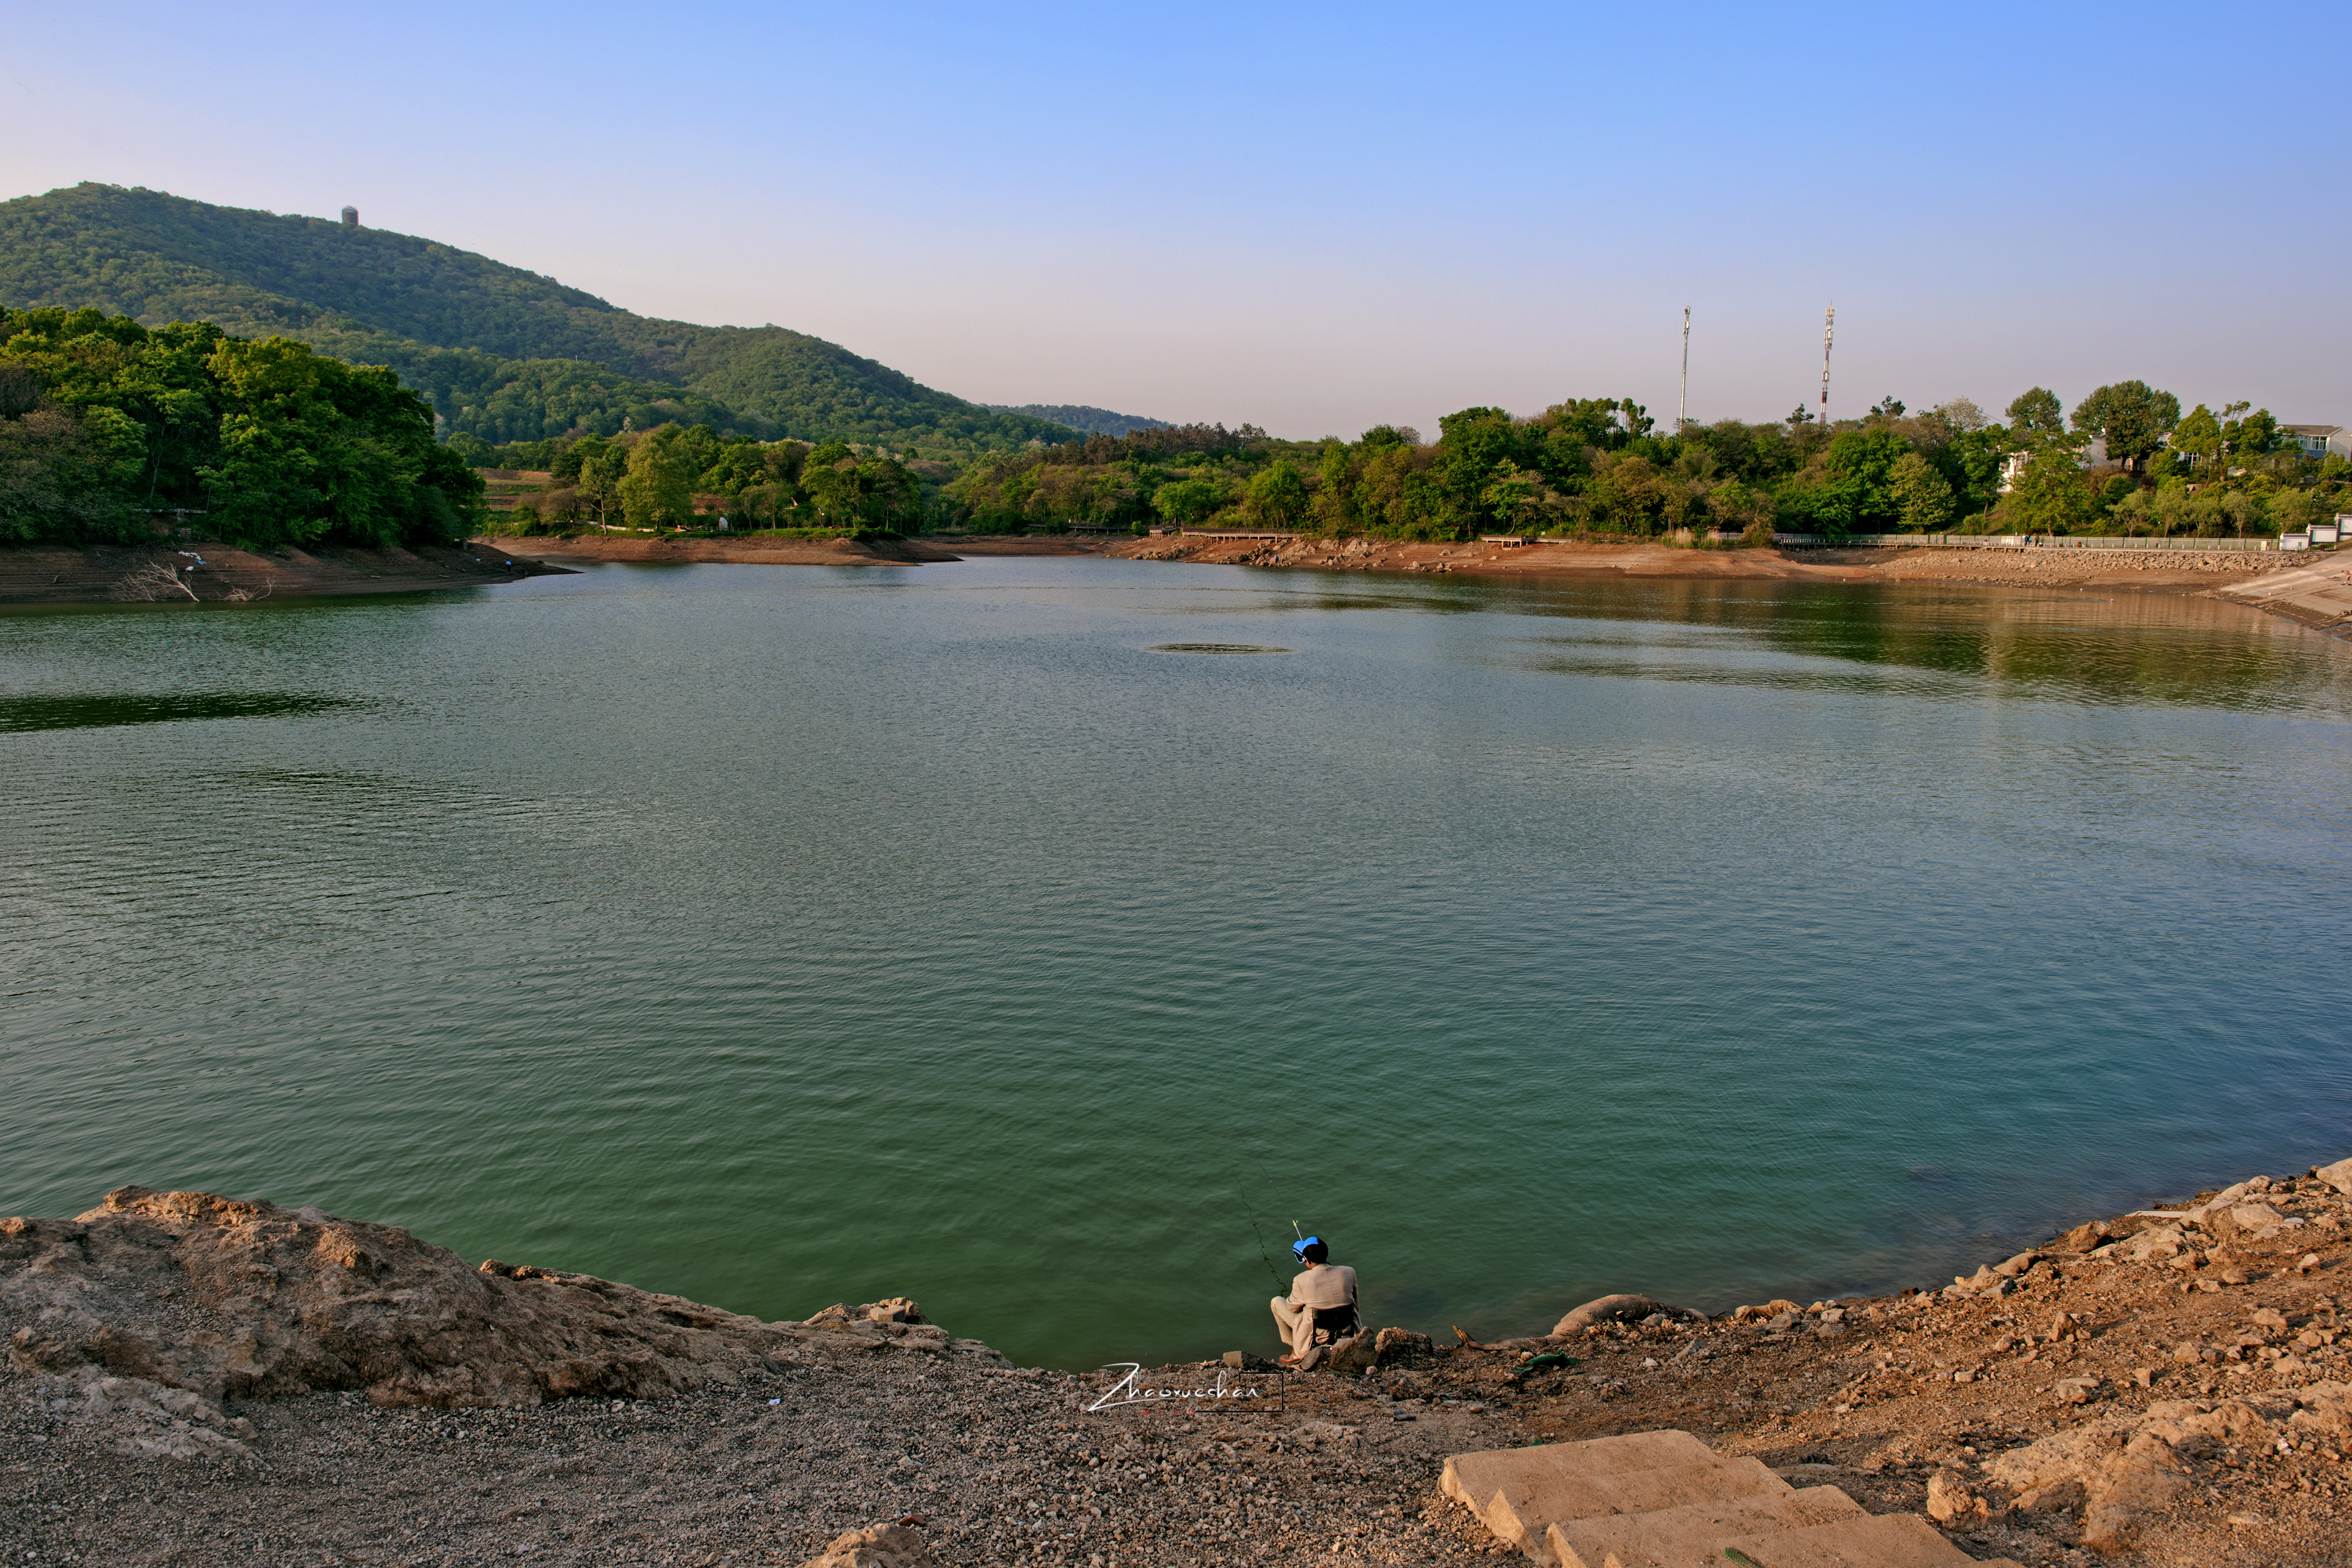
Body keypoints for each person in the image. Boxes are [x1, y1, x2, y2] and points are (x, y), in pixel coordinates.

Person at [1269, 1235, 1357, 1367]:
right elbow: (1356, 1304)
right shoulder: (1349, 1272)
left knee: (1276, 1302)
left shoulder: (1301, 1279)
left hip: (1318, 1337)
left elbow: (1292, 1308)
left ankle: (1296, 1348)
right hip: (1346, 1333)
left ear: (1307, 1261)